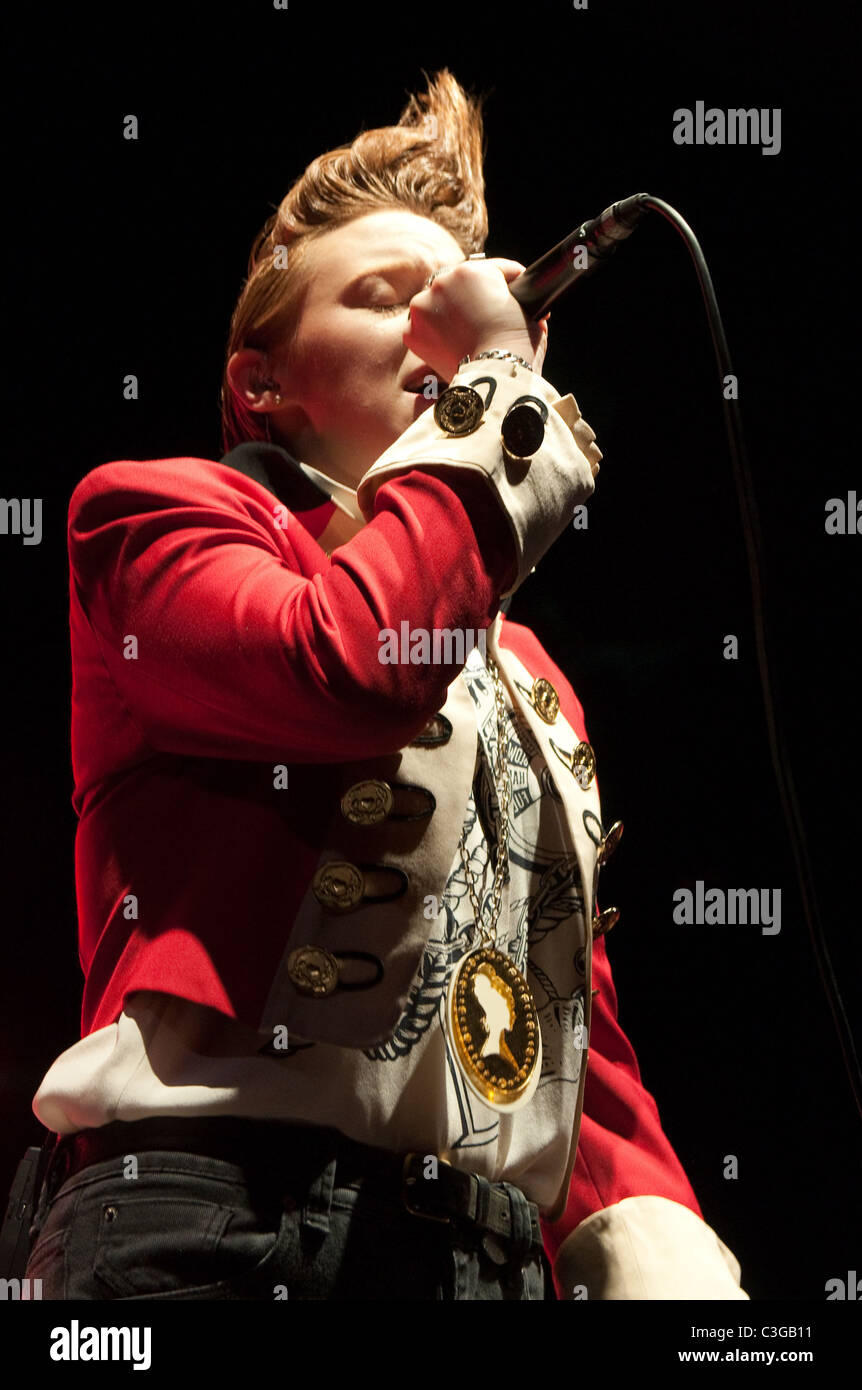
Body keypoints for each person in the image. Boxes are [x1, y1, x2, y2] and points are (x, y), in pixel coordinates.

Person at [22, 70, 749, 1301]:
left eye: (452, 305)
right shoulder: (156, 516)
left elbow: (567, 1030)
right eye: (380, 298)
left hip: (481, 1262)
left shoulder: (526, 674)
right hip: (211, 1227)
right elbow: (349, 666)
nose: (437, 333)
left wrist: (666, 1277)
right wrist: (494, 395)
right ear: (262, 383)